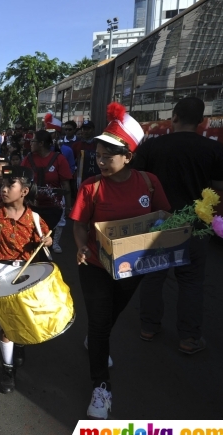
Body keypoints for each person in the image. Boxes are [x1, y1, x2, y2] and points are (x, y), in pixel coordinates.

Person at [70, 102, 171, 419]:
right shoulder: (91, 187)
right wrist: (81, 247)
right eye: (98, 155)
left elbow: (164, 216)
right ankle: (101, 386)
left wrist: (166, 232)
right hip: (96, 267)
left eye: (108, 156)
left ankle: (97, 338)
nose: (100, 161)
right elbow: (77, 224)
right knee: (100, 323)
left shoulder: (149, 182)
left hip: (134, 268)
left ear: (128, 156)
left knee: (112, 313)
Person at [132, 97, 223, 353]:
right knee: (191, 281)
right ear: (201, 121)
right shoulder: (213, 149)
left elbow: (135, 179)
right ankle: (189, 338)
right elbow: (220, 186)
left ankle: (148, 328)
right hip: (195, 223)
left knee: (154, 275)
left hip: (159, 222)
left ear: (173, 116)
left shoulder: (152, 146)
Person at [0, 166, 52, 393]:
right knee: (5, 323)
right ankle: (8, 367)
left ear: (25, 191)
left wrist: (47, 242)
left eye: (10, 186)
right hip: (0, 271)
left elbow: (45, 239)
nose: (4, 189)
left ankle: (18, 344)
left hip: (27, 273)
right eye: (2, 185)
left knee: (21, 316)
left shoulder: (35, 219)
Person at [22, 130, 72, 253]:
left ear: (41, 143)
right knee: (32, 237)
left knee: (46, 240)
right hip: (32, 207)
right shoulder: (28, 159)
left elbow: (66, 184)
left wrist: (68, 208)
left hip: (53, 208)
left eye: (33, 141)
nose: (30, 143)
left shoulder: (59, 159)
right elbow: (20, 180)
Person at [72, 120, 99, 188]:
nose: (86, 131)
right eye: (84, 129)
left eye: (88, 129)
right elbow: (72, 163)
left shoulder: (98, 145)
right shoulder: (76, 145)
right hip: (80, 178)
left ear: (93, 130)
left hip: (95, 177)